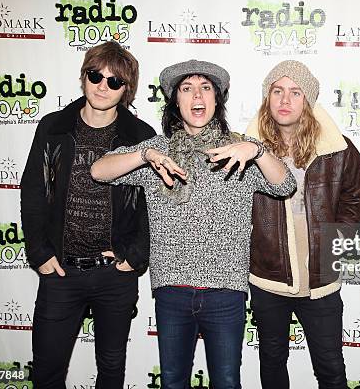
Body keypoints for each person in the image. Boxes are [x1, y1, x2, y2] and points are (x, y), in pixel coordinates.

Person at [90, 59, 296, 389]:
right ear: (175, 101)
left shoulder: (238, 148)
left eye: (205, 88)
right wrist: (144, 156)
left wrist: (256, 149)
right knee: (172, 382)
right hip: (172, 290)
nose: (196, 95)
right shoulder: (157, 149)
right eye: (187, 88)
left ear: (217, 99)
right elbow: (98, 171)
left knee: (227, 382)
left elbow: (285, 185)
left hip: (226, 291)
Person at [20, 41, 156, 388]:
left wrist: (134, 257)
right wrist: (39, 251)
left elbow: (154, 205)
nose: (102, 86)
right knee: (48, 369)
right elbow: (33, 191)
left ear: (127, 90)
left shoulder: (140, 137)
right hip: (61, 271)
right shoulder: (53, 128)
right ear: (84, 77)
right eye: (96, 76)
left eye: (115, 81)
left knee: (111, 370)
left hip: (114, 275)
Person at [246, 60, 360, 389]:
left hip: (321, 281)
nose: (285, 100)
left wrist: (335, 241)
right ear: (267, 98)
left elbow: (357, 196)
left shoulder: (337, 149)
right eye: (277, 91)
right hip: (267, 279)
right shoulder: (248, 151)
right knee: (272, 361)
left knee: (330, 368)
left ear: (308, 101)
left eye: (295, 92)